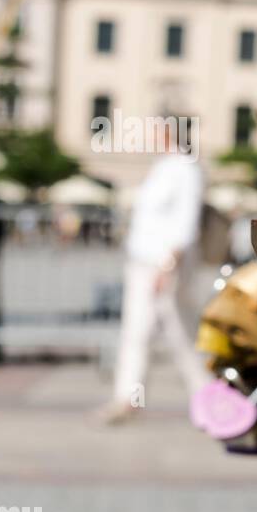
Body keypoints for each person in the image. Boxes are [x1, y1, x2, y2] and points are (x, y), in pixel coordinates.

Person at [97, 140, 209, 423]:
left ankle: (207, 398)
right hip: (142, 262)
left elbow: (186, 221)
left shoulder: (186, 169)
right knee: (136, 332)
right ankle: (128, 397)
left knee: (180, 333)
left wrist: (168, 265)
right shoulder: (162, 166)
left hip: (164, 265)